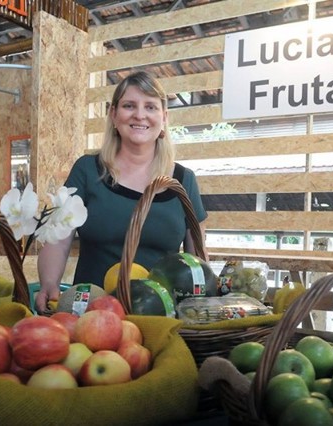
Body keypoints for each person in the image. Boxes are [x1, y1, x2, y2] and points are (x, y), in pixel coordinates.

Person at [35, 71, 208, 313]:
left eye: (150, 107)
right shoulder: (87, 170)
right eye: (129, 105)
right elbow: (58, 240)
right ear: (114, 115)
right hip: (89, 313)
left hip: (161, 318)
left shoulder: (183, 180)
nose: (140, 115)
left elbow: (197, 260)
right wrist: (49, 283)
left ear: (164, 119)